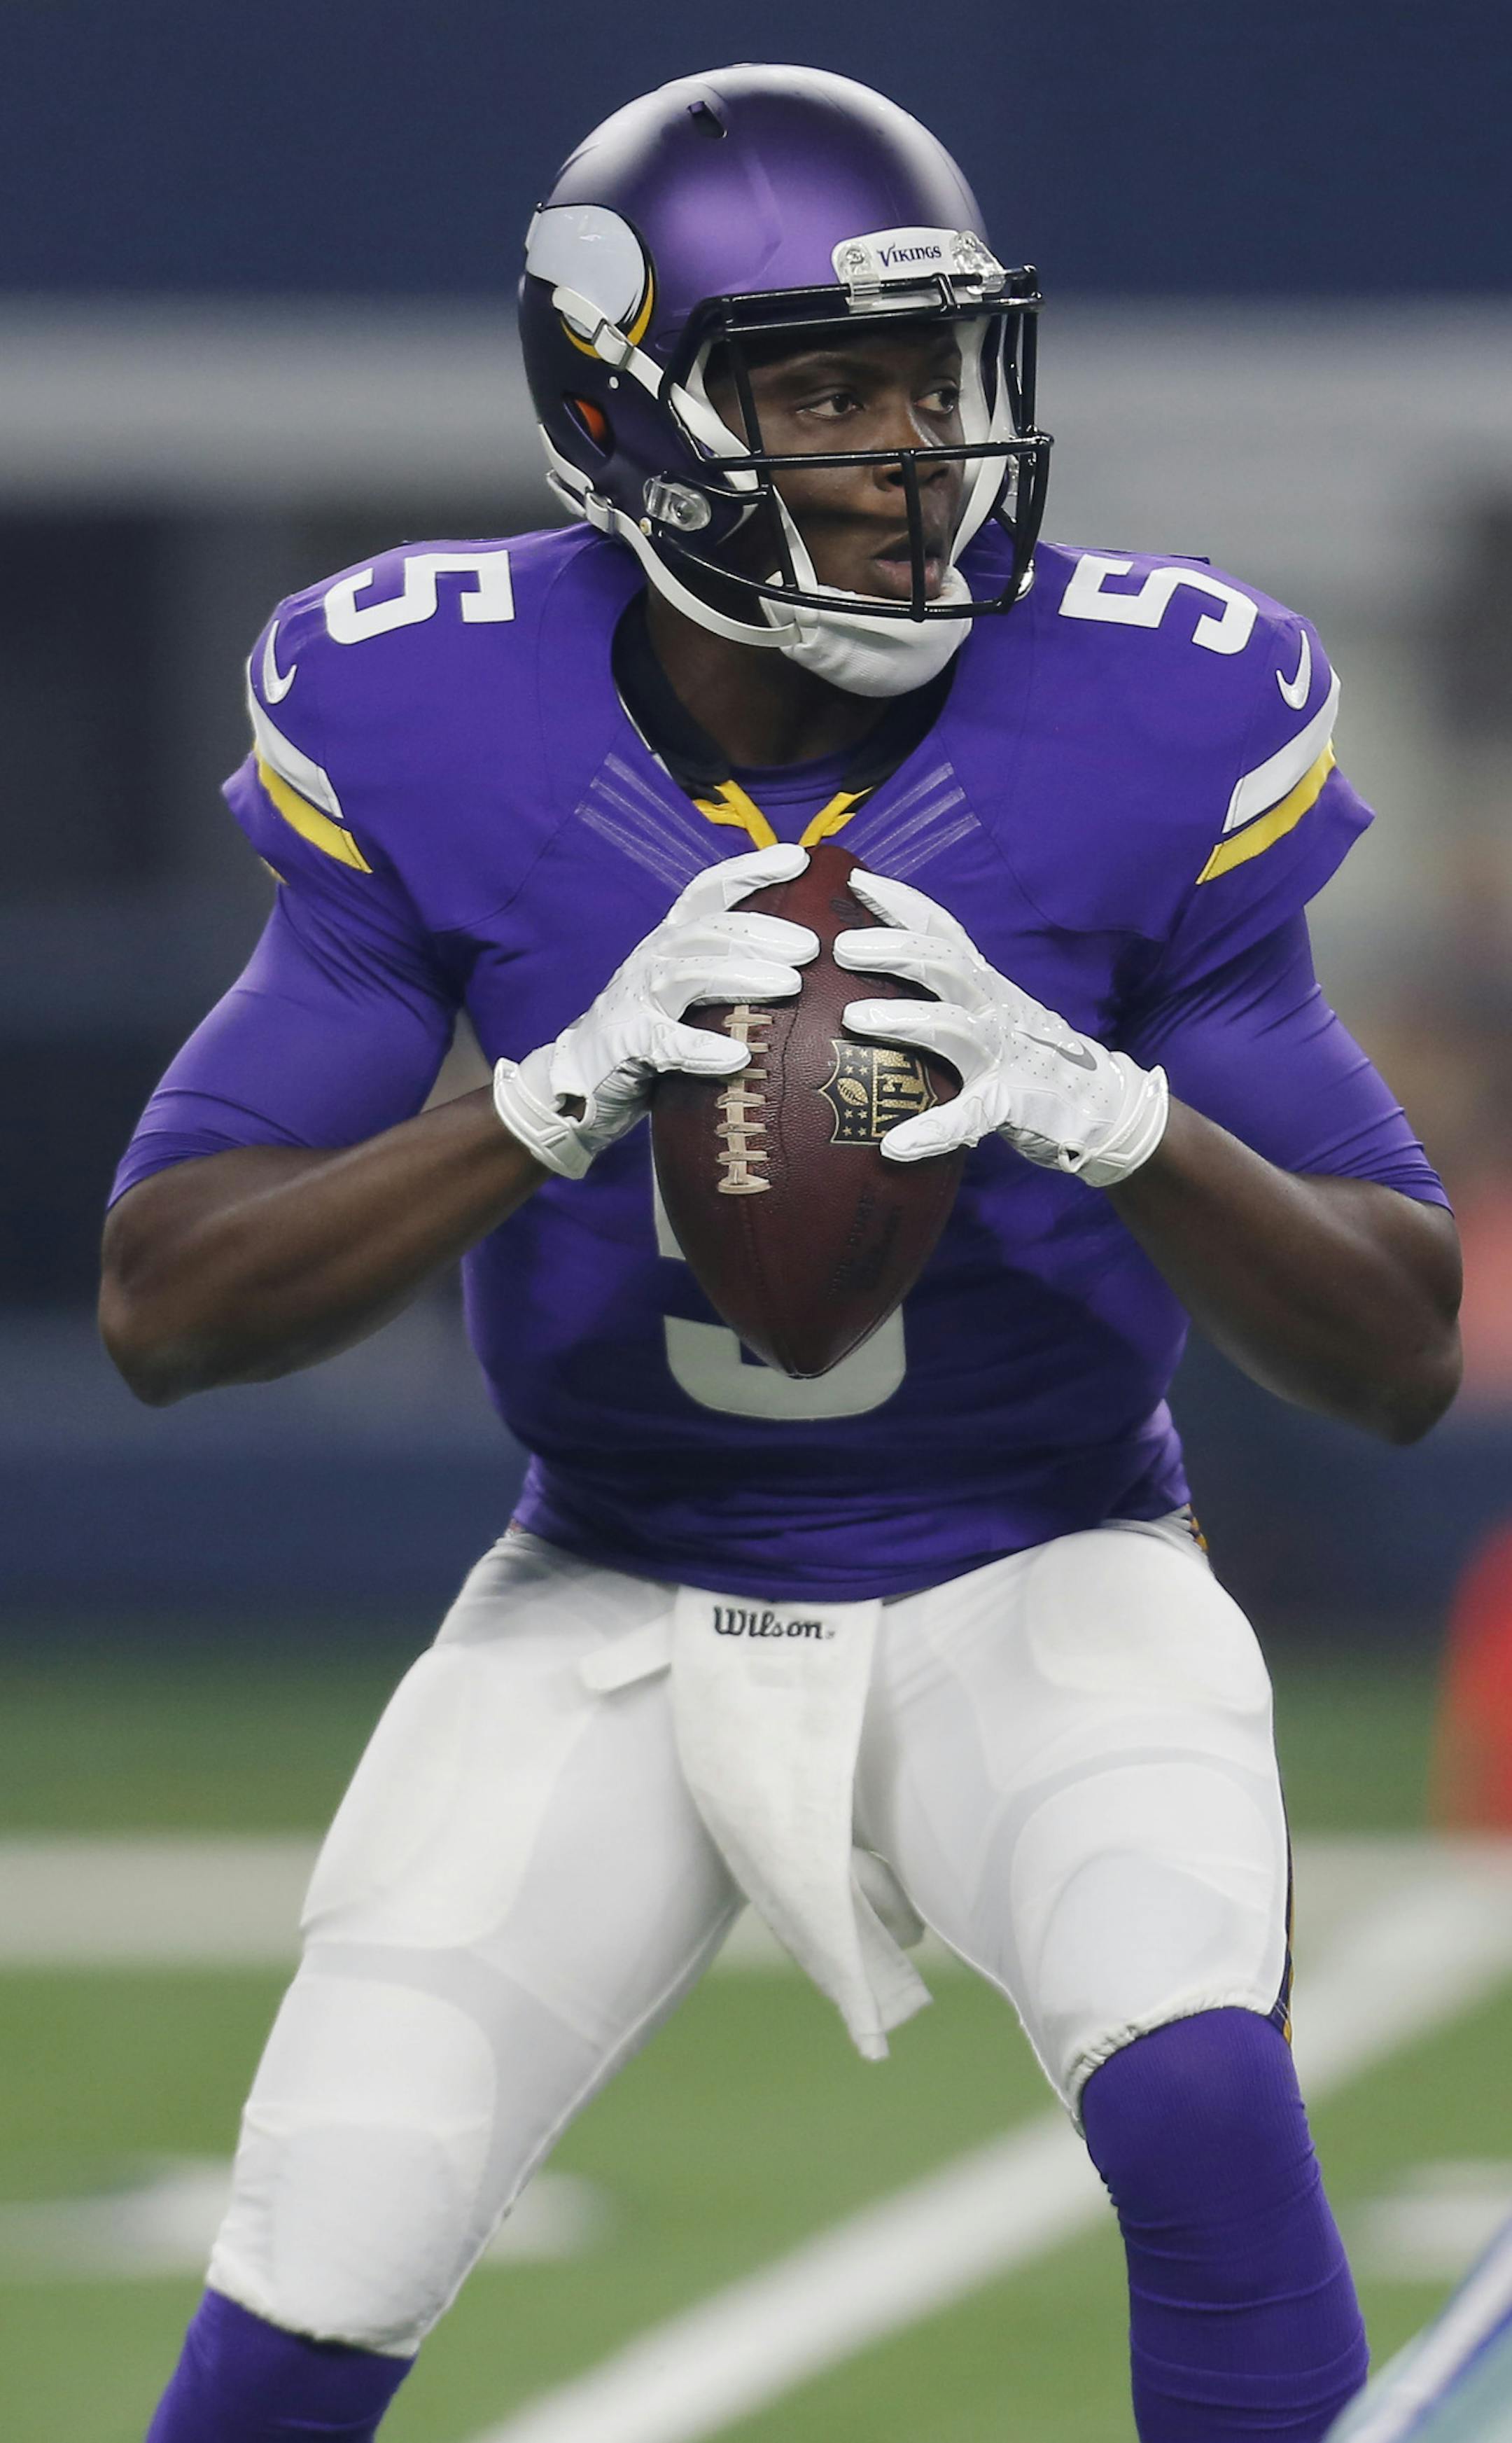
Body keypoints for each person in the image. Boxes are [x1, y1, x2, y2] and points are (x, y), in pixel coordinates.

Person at [101, 63, 1462, 2443]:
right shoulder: (432, 706)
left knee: (1203, 2103)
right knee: (332, 2229)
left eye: (934, 382)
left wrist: (1112, 1109)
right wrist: (537, 1104)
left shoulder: (1152, 707)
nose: (911, 453)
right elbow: (170, 1302)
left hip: (1035, 1552)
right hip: (609, 1585)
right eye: (825, 389)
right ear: (620, 414)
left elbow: (1401, 1343)